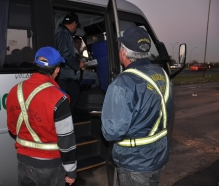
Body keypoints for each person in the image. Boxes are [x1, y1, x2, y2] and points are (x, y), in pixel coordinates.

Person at [101, 26, 173, 186]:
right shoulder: (163, 75)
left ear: (123, 52)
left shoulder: (122, 84)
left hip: (134, 162)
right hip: (158, 156)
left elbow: (111, 133)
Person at [6, 46, 77, 186]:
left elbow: (12, 129)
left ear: (34, 65)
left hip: (23, 162)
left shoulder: (14, 90)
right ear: (57, 70)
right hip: (50, 166)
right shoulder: (59, 98)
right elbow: (66, 140)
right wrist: (71, 171)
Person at [55, 12, 85, 113]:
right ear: (74, 24)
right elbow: (65, 54)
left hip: (64, 73)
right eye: (76, 26)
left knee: (73, 92)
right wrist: (77, 64)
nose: (75, 29)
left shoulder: (62, 32)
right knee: (71, 93)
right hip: (64, 73)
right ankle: (67, 117)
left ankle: (67, 116)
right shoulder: (63, 33)